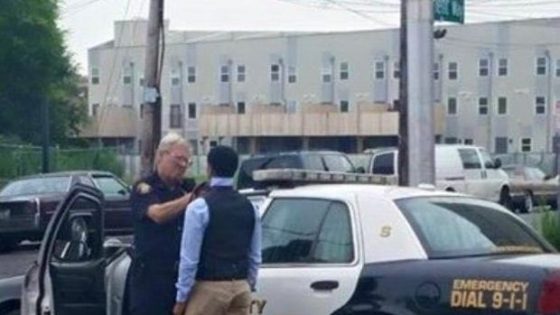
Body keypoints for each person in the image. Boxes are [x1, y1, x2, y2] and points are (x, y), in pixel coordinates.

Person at [173, 145, 262, 315]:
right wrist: (248, 284)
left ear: (209, 168)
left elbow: (189, 260)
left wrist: (181, 298)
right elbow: (255, 256)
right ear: (234, 169)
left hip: (208, 288)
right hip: (241, 287)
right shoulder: (250, 207)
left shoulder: (199, 207)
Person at [129, 133, 195, 315]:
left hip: (182, 278)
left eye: (187, 161)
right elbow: (157, 214)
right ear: (161, 156)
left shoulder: (187, 187)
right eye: (178, 159)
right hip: (152, 280)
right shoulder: (144, 187)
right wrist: (190, 200)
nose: (182, 165)